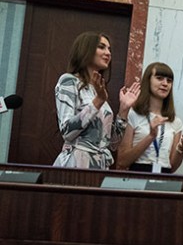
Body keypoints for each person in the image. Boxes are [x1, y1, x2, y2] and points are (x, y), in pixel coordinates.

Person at [53, 31, 140, 169]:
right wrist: (98, 101)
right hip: (75, 165)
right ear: (85, 50)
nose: (108, 53)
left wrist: (123, 110)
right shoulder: (69, 81)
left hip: (100, 167)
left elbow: (112, 145)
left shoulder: (97, 89)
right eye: (101, 47)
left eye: (109, 49)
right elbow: (67, 132)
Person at [116, 62, 183, 172]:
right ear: (148, 81)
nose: (165, 84)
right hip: (139, 174)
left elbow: (172, 167)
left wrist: (181, 149)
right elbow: (122, 161)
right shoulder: (133, 115)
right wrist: (151, 136)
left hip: (163, 176)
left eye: (169, 81)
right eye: (159, 78)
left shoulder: (175, 121)